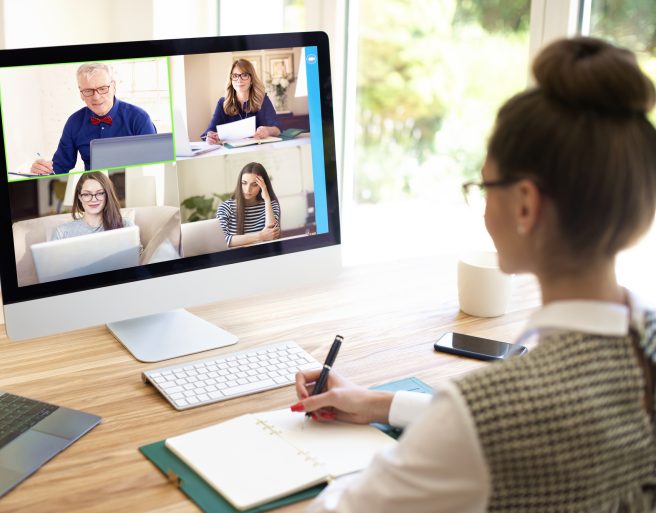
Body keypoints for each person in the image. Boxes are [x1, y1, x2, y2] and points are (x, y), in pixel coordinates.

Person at [291, 36, 656, 512]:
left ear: (525, 204)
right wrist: (379, 403)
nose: (482, 206)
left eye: (484, 186)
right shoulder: (643, 339)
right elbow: (513, 424)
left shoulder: (489, 414)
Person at [31, 62, 156, 175]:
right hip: (94, 192)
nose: (96, 97)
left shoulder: (139, 118)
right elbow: (59, 168)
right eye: (88, 91)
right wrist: (43, 170)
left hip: (134, 189)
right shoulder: (73, 122)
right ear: (81, 93)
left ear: (113, 87)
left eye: (102, 89)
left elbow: (155, 167)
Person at [202, 59, 282, 145]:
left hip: (258, 151)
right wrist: (209, 137)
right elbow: (210, 130)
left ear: (251, 79)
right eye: (235, 76)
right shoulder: (222, 103)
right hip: (232, 153)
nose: (239, 80)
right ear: (231, 80)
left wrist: (268, 131)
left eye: (244, 75)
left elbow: (278, 128)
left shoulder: (262, 99)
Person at [52, 172, 133, 240]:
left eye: (100, 193)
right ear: (80, 197)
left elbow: (136, 256)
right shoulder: (62, 232)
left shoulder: (125, 225)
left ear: (107, 195)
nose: (93, 199)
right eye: (87, 194)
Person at [216, 162, 281, 247]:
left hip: (264, 255)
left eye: (254, 184)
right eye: (244, 183)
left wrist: (267, 199)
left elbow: (272, 235)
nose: (248, 189)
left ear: (262, 186)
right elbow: (223, 240)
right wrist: (260, 236)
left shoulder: (270, 205)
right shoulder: (225, 208)